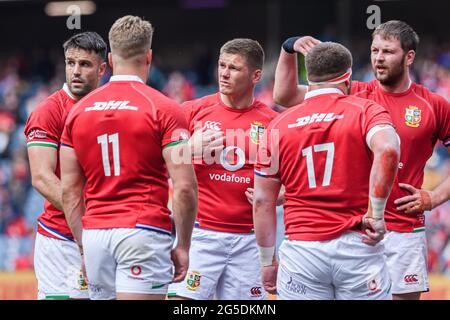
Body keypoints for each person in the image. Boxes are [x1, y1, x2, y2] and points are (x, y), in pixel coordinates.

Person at [272, 20, 450, 300]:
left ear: (409, 57)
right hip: (356, 230)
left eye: (388, 52)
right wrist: (288, 48)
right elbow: (285, 96)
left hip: (403, 229)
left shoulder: (433, 105)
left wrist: (434, 197)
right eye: (374, 50)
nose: (379, 58)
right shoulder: (354, 91)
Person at [60, 15, 197, 300]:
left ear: (109, 59)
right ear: (149, 57)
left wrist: (84, 247)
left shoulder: (77, 112)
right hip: (142, 230)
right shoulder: (164, 108)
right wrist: (183, 245)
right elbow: (184, 187)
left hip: (95, 235)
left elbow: (70, 190)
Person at [253, 42, 400, 300]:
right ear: (348, 76)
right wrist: (376, 214)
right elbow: (388, 150)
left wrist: (267, 262)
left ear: (308, 78)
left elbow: (262, 200)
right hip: (357, 246)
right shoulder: (365, 110)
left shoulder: (277, 125)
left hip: (302, 251)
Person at [167, 38, 278, 300]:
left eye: (234, 68)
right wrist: (187, 149)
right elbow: (151, 164)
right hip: (200, 234)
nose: (224, 74)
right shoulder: (190, 112)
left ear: (256, 75)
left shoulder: (273, 122)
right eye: (221, 65)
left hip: (250, 240)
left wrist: (281, 193)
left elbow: (292, 176)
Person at [24, 31, 107, 300]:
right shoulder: (48, 111)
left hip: (106, 235)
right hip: (61, 239)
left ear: (102, 68)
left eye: (85, 64)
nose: (76, 71)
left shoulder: (111, 108)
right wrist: (85, 217)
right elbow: (41, 178)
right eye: (71, 63)